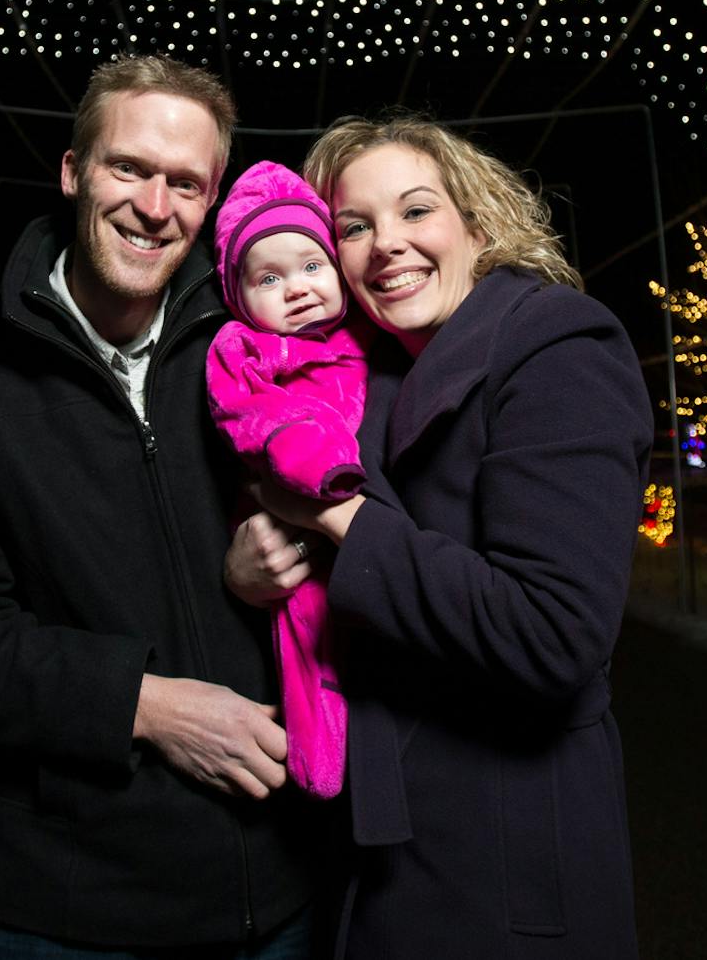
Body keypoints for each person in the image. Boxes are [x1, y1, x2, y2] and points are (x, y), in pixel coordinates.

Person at [0, 57, 316, 958]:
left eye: (185, 182)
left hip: (279, 894)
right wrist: (144, 705)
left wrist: (262, 563)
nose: (155, 206)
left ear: (212, 199)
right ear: (74, 171)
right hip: (66, 909)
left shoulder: (259, 341)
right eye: (129, 168)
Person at [227, 113, 654, 959]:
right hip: (381, 841)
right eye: (355, 226)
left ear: (479, 224)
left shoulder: (558, 344)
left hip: (509, 849)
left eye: (416, 210)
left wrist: (334, 513)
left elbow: (553, 631)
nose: (387, 242)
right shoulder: (369, 370)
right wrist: (248, 568)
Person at [205, 159, 368, 799]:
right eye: (269, 278)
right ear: (239, 297)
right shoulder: (244, 346)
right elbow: (248, 414)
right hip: (289, 513)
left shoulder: (364, 336)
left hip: (363, 531)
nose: (297, 289)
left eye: (311, 266)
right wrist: (309, 454)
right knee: (306, 630)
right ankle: (316, 761)